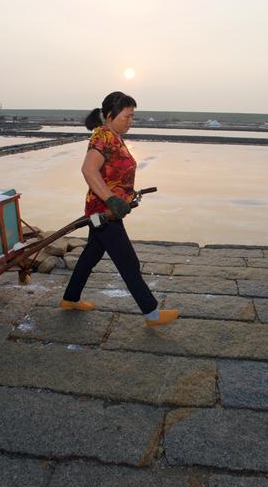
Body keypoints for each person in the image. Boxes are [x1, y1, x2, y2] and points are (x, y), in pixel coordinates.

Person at [61, 91, 179, 326]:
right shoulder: (102, 137)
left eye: (133, 116)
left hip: (107, 210)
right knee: (128, 262)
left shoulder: (115, 137)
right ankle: (151, 313)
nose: (130, 121)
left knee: (90, 255)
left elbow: (114, 173)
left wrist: (127, 194)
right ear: (109, 116)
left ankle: (70, 298)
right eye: (127, 116)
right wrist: (112, 199)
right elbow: (88, 170)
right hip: (103, 213)